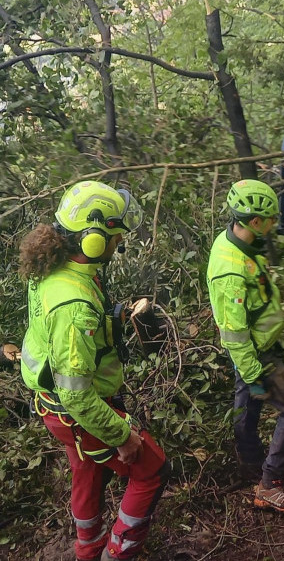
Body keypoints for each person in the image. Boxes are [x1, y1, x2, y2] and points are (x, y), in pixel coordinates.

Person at [19, 181, 167, 561]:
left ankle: (88, 547)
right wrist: (123, 436)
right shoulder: (74, 304)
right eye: (115, 238)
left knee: (86, 472)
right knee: (151, 467)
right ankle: (119, 554)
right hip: (75, 409)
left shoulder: (55, 268)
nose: (118, 245)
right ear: (93, 240)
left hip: (53, 406)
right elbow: (76, 393)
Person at [206, 179, 284, 515]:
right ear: (253, 222)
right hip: (256, 353)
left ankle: (251, 467)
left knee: (246, 413)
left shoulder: (237, 243)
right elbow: (233, 332)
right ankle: (269, 485)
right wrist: (253, 374)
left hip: (262, 345)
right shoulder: (231, 269)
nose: (274, 224)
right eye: (269, 219)